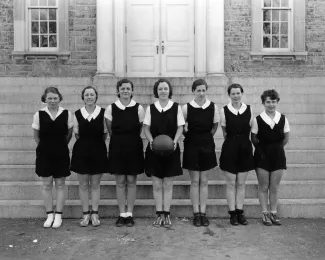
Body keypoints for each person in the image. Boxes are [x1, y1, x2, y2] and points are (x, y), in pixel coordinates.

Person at [143, 79, 185, 228]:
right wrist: (151, 141)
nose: (163, 91)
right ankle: (158, 214)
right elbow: (146, 128)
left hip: (171, 149)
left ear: (169, 90)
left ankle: (166, 214)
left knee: (167, 184)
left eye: (165, 88)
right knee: (156, 184)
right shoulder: (151, 108)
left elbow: (180, 127)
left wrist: (174, 141)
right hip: (154, 149)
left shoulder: (176, 107)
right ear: (156, 91)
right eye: (160, 89)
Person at [105, 79, 145, 227]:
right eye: (123, 88)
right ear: (118, 90)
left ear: (132, 90)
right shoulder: (111, 108)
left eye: (128, 88)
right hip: (117, 147)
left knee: (132, 181)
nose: (125, 91)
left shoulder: (139, 108)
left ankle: (130, 214)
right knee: (120, 181)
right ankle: (122, 214)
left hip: (134, 146)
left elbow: (140, 127)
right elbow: (110, 129)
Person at [32, 87, 73, 228]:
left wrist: (60, 146)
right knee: (47, 185)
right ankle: (50, 214)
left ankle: (59, 215)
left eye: (55, 98)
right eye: (49, 98)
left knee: (61, 184)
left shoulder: (67, 113)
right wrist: (45, 147)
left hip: (61, 153)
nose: (52, 101)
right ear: (45, 99)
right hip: (44, 154)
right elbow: (36, 135)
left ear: (59, 98)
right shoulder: (39, 114)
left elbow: (69, 133)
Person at [182, 79, 219, 227]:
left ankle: (203, 213)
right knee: (194, 181)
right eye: (198, 90)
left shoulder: (213, 107)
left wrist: (206, 137)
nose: (201, 93)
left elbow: (215, 125)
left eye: (204, 90)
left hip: (207, 144)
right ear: (193, 91)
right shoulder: (186, 108)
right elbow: (182, 125)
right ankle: (196, 213)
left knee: (204, 181)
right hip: (191, 144)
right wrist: (191, 136)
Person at [70, 86, 109, 227]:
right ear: (83, 97)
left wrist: (95, 144)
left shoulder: (103, 113)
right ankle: (86, 214)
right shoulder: (77, 114)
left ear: (96, 97)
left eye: (92, 94)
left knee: (95, 184)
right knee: (83, 184)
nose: (89, 97)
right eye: (86, 94)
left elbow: (105, 134)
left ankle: (95, 214)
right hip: (82, 151)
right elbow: (77, 134)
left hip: (98, 150)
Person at [251, 89, 290, 226]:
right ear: (263, 103)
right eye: (268, 102)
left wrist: (276, 148)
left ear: (277, 102)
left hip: (278, 156)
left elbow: (286, 138)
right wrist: (264, 149)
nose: (271, 105)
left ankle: (273, 212)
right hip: (262, 156)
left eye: (273, 101)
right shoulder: (257, 119)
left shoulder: (283, 119)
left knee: (274, 187)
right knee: (263, 186)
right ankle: (265, 214)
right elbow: (254, 139)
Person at [219, 83, 254, 225]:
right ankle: (232, 213)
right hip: (230, 148)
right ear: (229, 95)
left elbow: (250, 128)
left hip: (245, 148)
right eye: (233, 93)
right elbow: (224, 131)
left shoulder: (249, 109)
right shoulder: (224, 110)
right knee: (230, 184)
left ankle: (240, 212)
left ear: (242, 93)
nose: (235, 96)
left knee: (241, 184)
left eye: (238, 93)